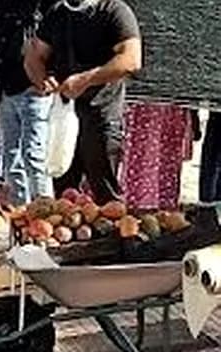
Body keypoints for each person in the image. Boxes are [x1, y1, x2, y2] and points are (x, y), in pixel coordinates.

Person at [24, 0, 142, 203]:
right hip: (64, 119)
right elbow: (34, 56)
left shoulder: (114, 10)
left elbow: (131, 59)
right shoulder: (58, 12)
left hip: (102, 116)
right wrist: (42, 79)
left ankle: (112, 235)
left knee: (106, 197)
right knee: (64, 197)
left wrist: (86, 79)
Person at [0, 0, 54, 205]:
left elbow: (55, 42)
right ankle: (20, 214)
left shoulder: (45, 5)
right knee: (11, 157)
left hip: (34, 88)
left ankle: (44, 211)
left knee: (34, 156)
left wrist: (47, 76)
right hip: (8, 87)